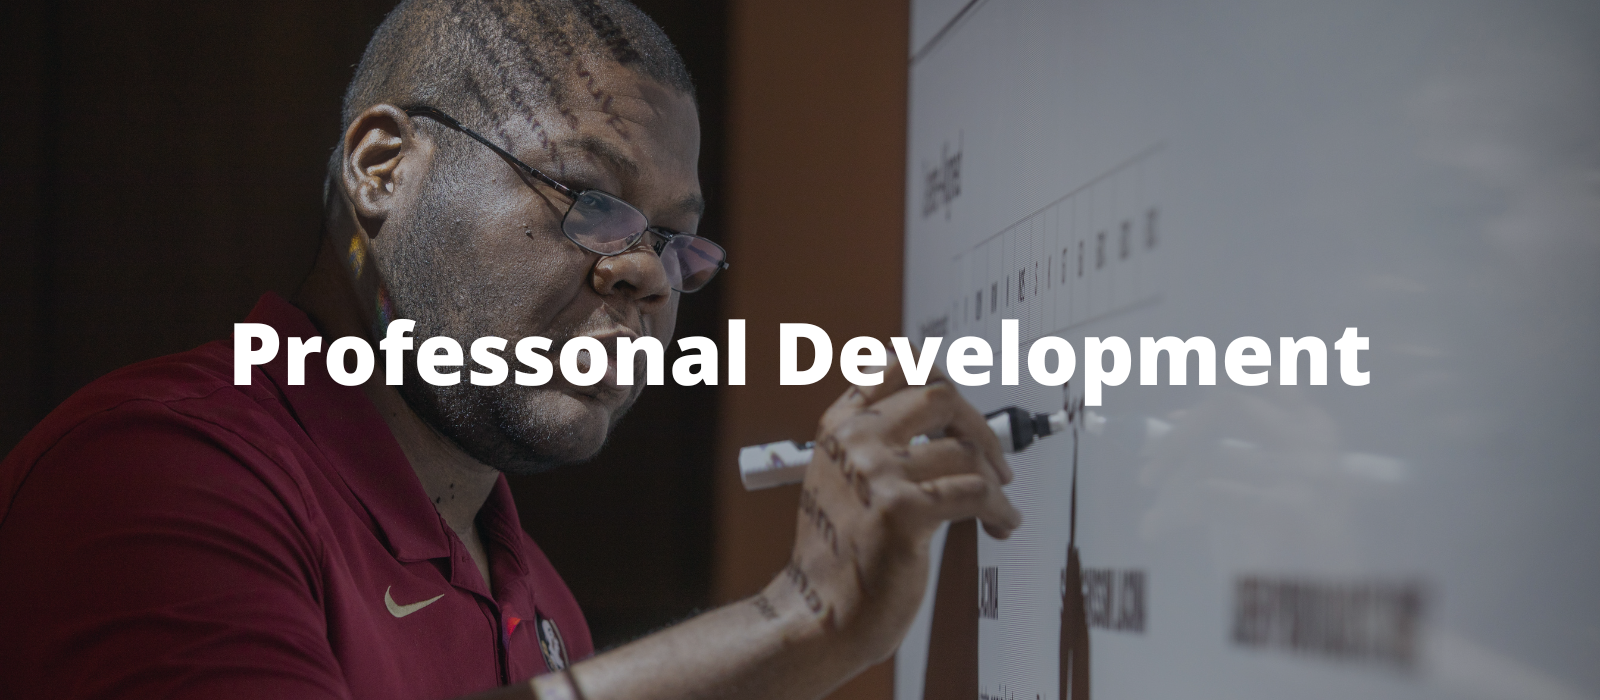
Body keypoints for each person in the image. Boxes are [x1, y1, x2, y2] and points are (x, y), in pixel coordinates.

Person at [0, 1, 1021, 698]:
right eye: (589, 198)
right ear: (385, 168)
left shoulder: (537, 603)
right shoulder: (151, 474)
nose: (651, 276)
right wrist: (795, 619)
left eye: (675, 240)